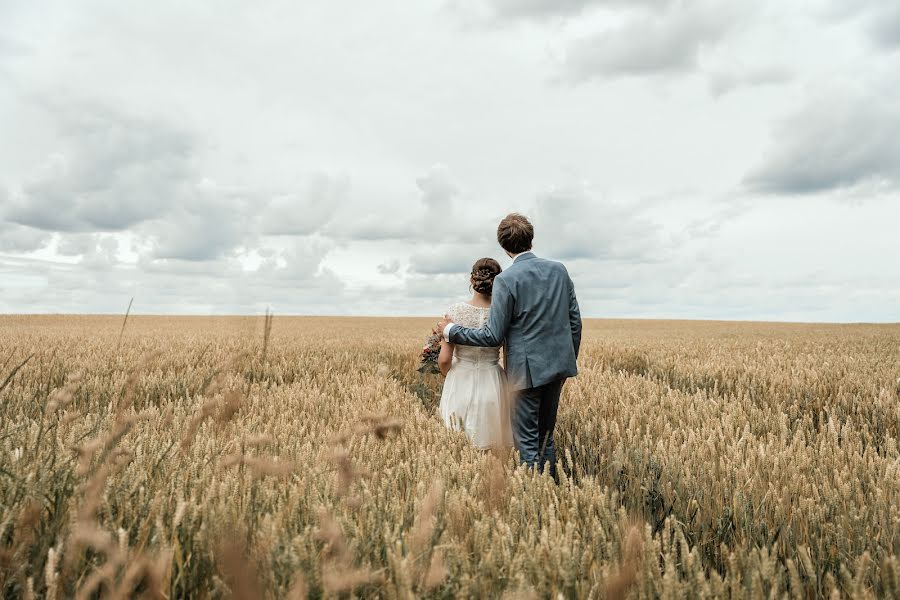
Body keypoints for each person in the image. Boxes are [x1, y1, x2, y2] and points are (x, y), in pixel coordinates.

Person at [436, 214, 581, 475]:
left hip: (526, 373)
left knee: (526, 441)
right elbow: (574, 322)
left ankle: (535, 499)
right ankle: (554, 492)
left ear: (503, 245)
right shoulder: (559, 270)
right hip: (559, 367)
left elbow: (492, 336)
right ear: (531, 239)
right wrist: (567, 359)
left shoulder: (507, 280)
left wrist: (451, 330)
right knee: (546, 438)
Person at [437, 258, 513, 450]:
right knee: (494, 445)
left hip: (460, 379)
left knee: (455, 444)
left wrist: (452, 374)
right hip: (493, 381)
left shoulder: (455, 311)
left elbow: (445, 359)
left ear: (472, 280)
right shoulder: (504, 312)